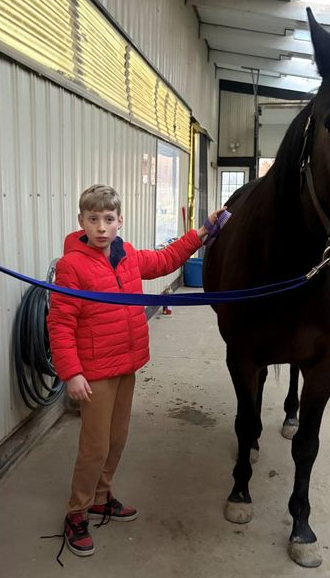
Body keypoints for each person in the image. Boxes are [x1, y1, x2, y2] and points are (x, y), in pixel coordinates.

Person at [47, 184, 224, 559]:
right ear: (81, 221)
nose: (101, 227)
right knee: (93, 447)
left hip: (126, 363)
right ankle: (76, 513)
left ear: (119, 221)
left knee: (118, 438)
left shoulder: (126, 255)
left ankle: (101, 497)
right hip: (94, 371)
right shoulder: (71, 266)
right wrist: (71, 373)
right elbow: (60, 324)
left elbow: (165, 260)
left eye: (108, 219)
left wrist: (202, 233)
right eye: (92, 219)